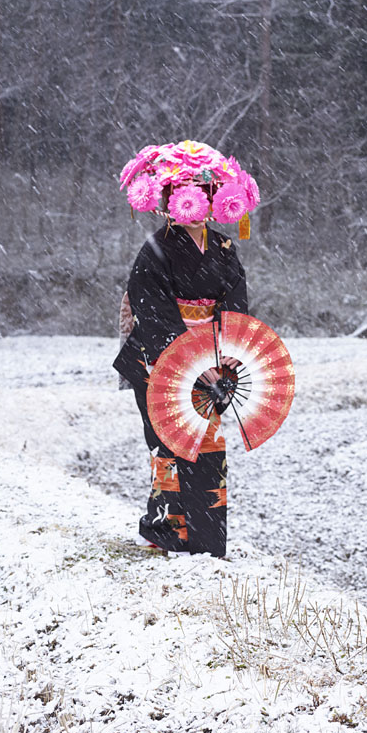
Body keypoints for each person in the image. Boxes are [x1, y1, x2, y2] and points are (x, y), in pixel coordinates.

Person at [114, 140, 259, 558]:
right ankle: (166, 530)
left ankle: (206, 539)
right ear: (172, 199)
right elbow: (153, 311)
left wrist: (227, 357)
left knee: (207, 444)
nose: (199, 202)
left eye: (207, 193)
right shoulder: (155, 250)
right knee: (168, 442)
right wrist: (190, 358)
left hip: (210, 361)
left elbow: (235, 306)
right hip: (159, 358)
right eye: (188, 193)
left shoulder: (225, 250)